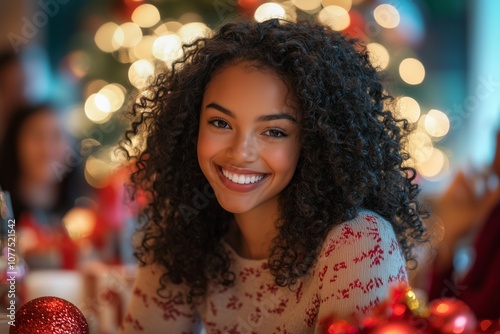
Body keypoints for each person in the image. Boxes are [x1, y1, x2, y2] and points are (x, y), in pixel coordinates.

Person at [120, 19, 427, 333]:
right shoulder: (183, 232)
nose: (240, 152)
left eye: (274, 131)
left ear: (312, 143)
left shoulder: (359, 243)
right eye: (220, 123)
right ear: (190, 128)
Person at [0, 104, 88, 269]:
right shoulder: (3, 214)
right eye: (36, 136)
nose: (46, 149)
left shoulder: (84, 217)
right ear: (15, 143)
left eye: (56, 136)